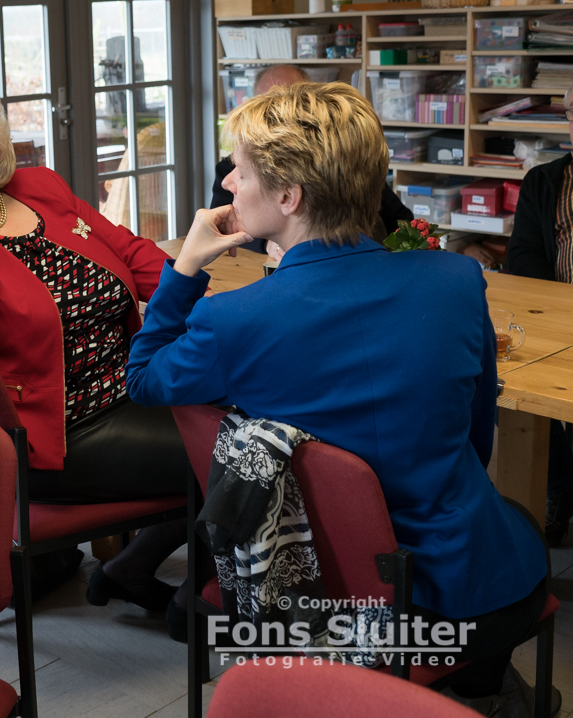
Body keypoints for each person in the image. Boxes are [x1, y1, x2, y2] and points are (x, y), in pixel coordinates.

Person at [129, 81, 548, 710]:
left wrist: (186, 266)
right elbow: (475, 437)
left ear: (289, 197)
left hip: (326, 593)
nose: (228, 184)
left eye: (239, 171)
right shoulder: (458, 280)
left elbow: (143, 377)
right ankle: (484, 691)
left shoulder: (234, 322)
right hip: (474, 590)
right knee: (511, 518)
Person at [0, 74, 191, 615]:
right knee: (236, 453)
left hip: (134, 387)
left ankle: (133, 566)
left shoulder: (39, 187)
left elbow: (128, 253)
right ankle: (201, 600)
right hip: (56, 434)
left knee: (253, 417)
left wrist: (203, 296)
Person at [210, 64, 412, 258]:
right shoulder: (231, 169)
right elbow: (223, 225)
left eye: (289, 102)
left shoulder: (347, 164)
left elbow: (402, 222)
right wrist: (266, 243)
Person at [506, 83, 573, 545]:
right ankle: (557, 482)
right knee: (510, 390)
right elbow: (523, 257)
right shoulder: (545, 182)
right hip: (557, 319)